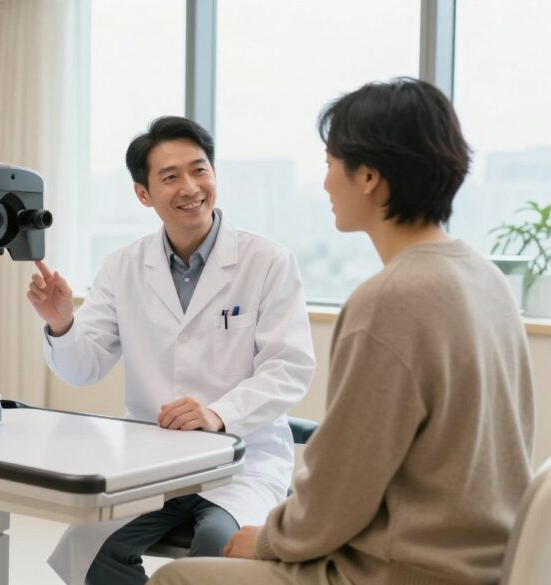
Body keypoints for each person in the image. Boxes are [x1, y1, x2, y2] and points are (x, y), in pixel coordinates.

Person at [148, 78, 536, 585]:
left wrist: (266, 540)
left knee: (177, 576)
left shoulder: (391, 300)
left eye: (331, 164)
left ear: (368, 176)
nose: (327, 183)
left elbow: (341, 488)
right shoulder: (487, 279)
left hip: (401, 570)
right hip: (486, 562)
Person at [29, 116, 316, 585]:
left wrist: (218, 414)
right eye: (170, 177)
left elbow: (289, 368)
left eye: (199, 170)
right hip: (153, 463)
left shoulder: (267, 261)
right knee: (86, 546)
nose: (190, 187)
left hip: (240, 461)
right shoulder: (123, 266)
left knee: (217, 549)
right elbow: (84, 368)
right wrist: (62, 323)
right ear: (143, 193)